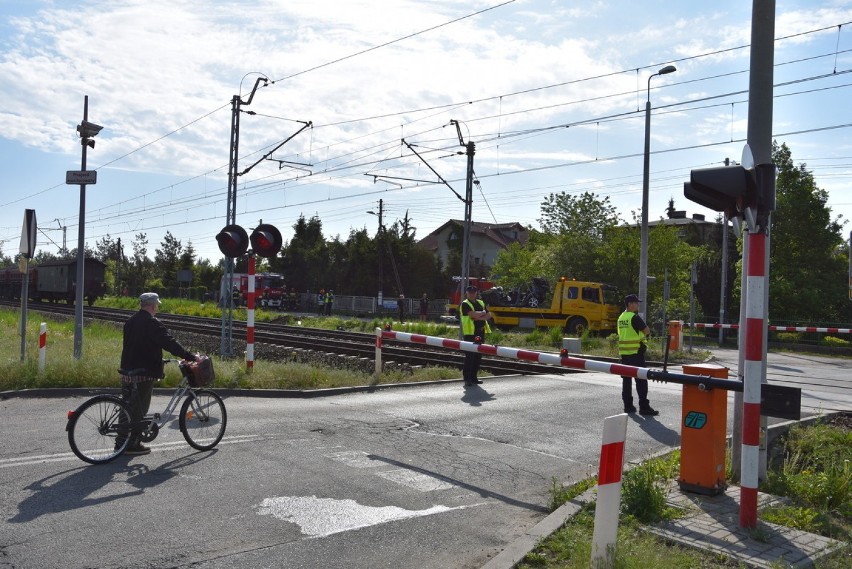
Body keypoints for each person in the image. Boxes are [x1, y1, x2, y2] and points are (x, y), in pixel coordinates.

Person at [119, 292, 197, 455]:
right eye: (157, 305)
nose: (157, 308)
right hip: (143, 372)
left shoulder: (131, 321)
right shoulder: (152, 323)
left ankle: (121, 443)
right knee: (139, 409)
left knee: (127, 407)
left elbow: (136, 345)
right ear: (153, 305)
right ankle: (131, 445)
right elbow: (169, 342)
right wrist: (189, 356)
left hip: (127, 369)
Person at [617, 294, 658, 416]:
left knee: (626, 380)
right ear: (630, 304)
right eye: (636, 303)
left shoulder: (621, 317)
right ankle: (644, 407)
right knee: (641, 379)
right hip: (636, 352)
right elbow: (647, 331)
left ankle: (628, 406)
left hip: (624, 353)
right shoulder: (634, 317)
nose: (638, 305)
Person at [459, 285, 491, 387]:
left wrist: (479, 317)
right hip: (470, 333)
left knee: (478, 356)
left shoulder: (481, 302)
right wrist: (481, 313)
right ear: (467, 293)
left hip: (480, 332)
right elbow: (472, 315)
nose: (472, 294)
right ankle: (467, 378)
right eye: (470, 292)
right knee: (470, 356)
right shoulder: (465, 304)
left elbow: (489, 315)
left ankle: (474, 377)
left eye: (474, 292)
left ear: (476, 293)